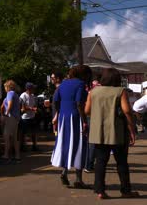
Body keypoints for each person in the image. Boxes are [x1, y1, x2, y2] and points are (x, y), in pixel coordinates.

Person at [84, 68, 139, 199]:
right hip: (117, 132)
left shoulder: (93, 92)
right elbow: (126, 111)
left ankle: (100, 191)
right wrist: (132, 129)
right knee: (121, 162)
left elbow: (86, 110)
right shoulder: (120, 91)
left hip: (99, 132)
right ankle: (125, 190)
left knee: (100, 162)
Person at [51, 65, 91, 189]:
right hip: (76, 118)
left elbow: (56, 100)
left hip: (64, 118)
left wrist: (60, 112)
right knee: (79, 145)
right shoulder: (80, 84)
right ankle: (78, 179)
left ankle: (64, 172)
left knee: (66, 145)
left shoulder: (63, 84)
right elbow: (79, 103)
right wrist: (84, 121)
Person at [0, 80, 21, 164]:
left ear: (8, 87)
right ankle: (17, 156)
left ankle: (6, 155)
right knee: (14, 137)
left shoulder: (10, 93)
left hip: (10, 117)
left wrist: (5, 114)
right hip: (15, 118)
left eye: (5, 87)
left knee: (6, 136)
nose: (4, 88)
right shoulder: (15, 94)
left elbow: (9, 104)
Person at [19, 82, 38, 152]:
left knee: (34, 132)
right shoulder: (23, 95)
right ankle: (22, 146)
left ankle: (34, 146)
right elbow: (22, 107)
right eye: (33, 88)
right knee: (23, 133)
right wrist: (32, 109)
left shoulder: (32, 95)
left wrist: (34, 109)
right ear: (28, 89)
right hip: (25, 117)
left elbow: (34, 105)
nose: (34, 89)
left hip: (32, 116)